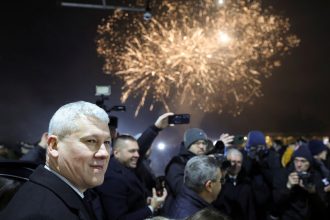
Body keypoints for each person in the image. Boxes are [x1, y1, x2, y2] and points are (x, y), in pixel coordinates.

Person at [0, 101, 111, 220]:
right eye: (91, 141)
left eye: (107, 142)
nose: (104, 153)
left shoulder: (61, 192)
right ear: (53, 146)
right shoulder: (41, 215)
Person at [95, 113, 172, 220]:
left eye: (137, 151)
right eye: (132, 151)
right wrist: (151, 207)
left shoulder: (123, 166)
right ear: (116, 153)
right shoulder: (112, 178)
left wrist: (156, 128)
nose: (137, 155)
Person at [272, 144, 328, 220]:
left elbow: (323, 207)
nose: (298, 165)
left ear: (309, 163)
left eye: (303, 161)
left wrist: (312, 192)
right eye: (296, 160)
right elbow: (276, 202)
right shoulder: (283, 175)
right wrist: (288, 186)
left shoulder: (315, 176)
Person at [213, 148, 256, 220]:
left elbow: (251, 208)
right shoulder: (219, 182)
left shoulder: (247, 183)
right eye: (233, 161)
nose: (235, 165)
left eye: (239, 162)